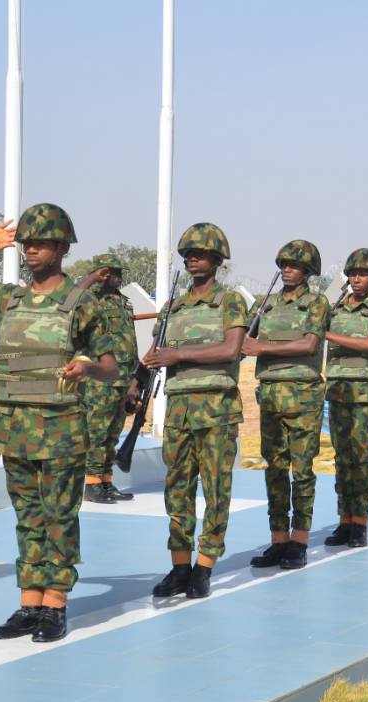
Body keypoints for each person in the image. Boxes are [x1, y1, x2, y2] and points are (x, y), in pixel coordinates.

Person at [0, 204, 118, 643]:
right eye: (27, 243)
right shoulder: (7, 300)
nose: (31, 250)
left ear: (63, 248)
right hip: (15, 428)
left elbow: (111, 368)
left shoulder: (82, 304)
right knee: (28, 518)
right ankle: (29, 605)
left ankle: (55, 605)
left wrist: (87, 368)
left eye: (42, 244)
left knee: (59, 518)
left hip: (61, 430)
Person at [140, 224, 247, 599]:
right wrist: (136, 383)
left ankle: (204, 566)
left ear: (217, 260)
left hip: (217, 411)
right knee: (177, 492)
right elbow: (155, 353)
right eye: (187, 254)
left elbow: (231, 349)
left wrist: (179, 355)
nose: (192, 259)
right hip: (179, 411)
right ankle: (180, 567)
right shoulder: (173, 307)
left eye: (200, 254)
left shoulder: (230, 301)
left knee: (217, 492)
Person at [243, 240, 330, 570]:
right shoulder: (266, 304)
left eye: (294, 265)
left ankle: (299, 541)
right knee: (275, 469)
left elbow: (309, 344)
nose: (286, 270)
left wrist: (262, 348)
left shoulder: (316, 303)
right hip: (270, 395)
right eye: (283, 264)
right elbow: (243, 341)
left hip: (303, 396)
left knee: (302, 471)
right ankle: (278, 539)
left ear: (308, 270)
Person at [323, 248, 368, 548]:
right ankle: (344, 520)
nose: (356, 279)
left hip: (365, 394)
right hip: (339, 390)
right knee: (342, 458)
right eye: (352, 273)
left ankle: (360, 523)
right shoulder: (334, 310)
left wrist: (327, 334)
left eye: (363, 274)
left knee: (361, 458)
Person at [78, 254, 138, 504]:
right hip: (101, 377)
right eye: (112, 272)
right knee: (97, 430)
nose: (118, 276)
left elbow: (130, 339)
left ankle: (105, 480)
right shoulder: (91, 298)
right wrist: (92, 278)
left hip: (124, 375)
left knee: (113, 432)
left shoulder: (123, 302)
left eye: (120, 272)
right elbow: (70, 299)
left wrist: (134, 379)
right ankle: (91, 483)